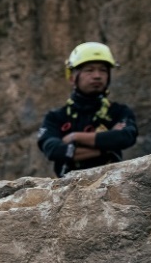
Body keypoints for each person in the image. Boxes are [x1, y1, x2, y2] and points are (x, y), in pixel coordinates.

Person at [37, 42, 138, 177]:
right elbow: (53, 150)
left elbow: (126, 137)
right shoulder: (56, 117)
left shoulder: (119, 111)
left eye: (103, 70)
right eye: (89, 70)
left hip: (111, 186)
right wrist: (107, 147)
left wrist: (75, 137)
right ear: (73, 77)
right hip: (67, 190)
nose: (97, 75)